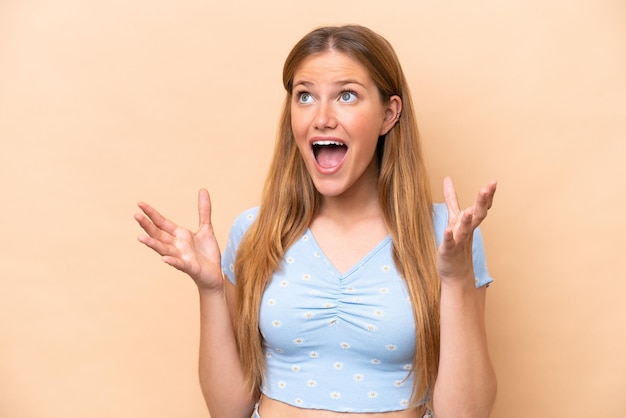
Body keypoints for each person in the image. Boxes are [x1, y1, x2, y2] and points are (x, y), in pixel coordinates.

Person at [135, 25, 497, 418]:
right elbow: (228, 411)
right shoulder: (256, 233)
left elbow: (467, 415)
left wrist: (457, 280)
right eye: (305, 96)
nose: (322, 117)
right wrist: (210, 291)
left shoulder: (448, 236)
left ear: (389, 114)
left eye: (347, 95)